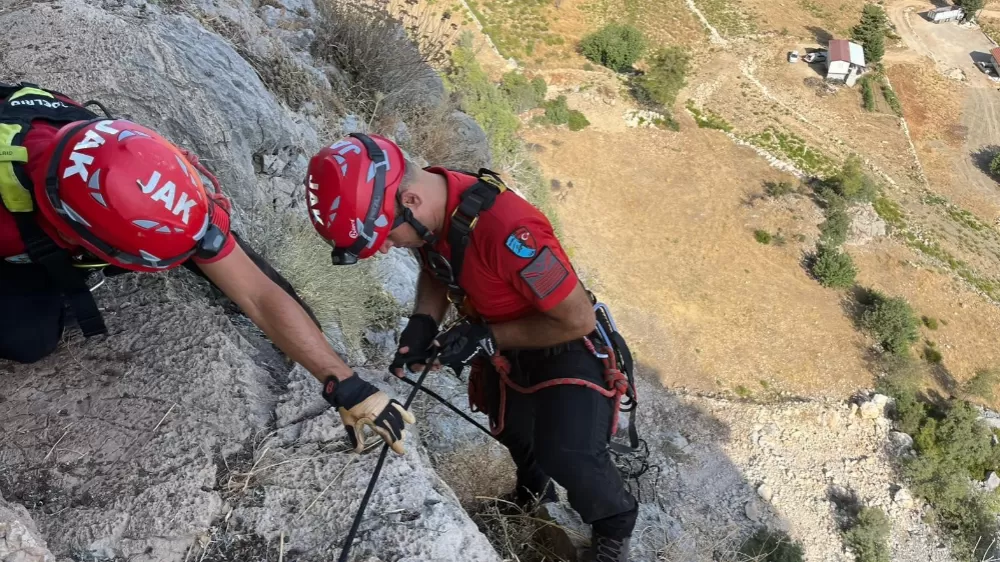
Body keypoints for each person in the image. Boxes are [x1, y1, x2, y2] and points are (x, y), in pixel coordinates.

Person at [0, 82, 415, 457]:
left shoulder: (133, 166)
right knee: (29, 338)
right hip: (21, 227)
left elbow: (259, 294)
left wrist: (347, 384)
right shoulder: (12, 225)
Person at [305, 132, 638, 562]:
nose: (387, 247)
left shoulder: (510, 232)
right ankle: (531, 495)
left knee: (568, 453)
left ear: (410, 201)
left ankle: (614, 529)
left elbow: (576, 320)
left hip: (562, 342)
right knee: (517, 433)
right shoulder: (438, 207)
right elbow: (437, 263)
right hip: (507, 343)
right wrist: (423, 323)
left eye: (386, 235)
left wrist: (488, 336)